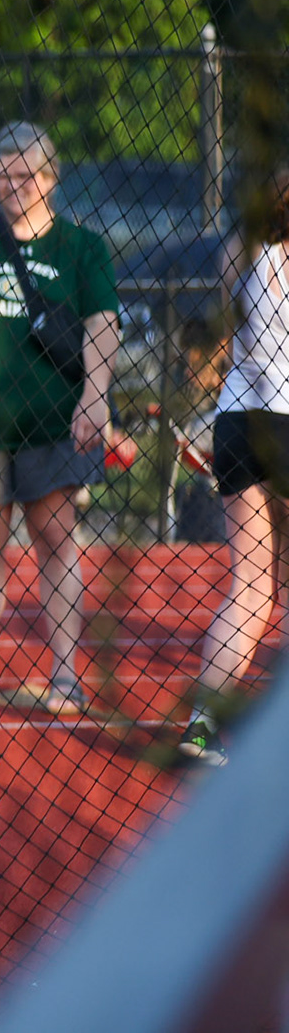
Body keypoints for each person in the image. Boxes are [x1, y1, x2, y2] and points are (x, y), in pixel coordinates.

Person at [0, 121, 120, 716]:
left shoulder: (81, 247)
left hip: (50, 420)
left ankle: (66, 677)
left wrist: (96, 395)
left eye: (30, 173)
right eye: (5, 175)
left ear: (52, 177)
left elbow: (103, 324)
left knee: (56, 540)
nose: (18, 186)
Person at [181, 182, 289, 766]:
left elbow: (231, 313)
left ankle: (202, 726)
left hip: (239, 420)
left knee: (250, 587)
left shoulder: (244, 250)